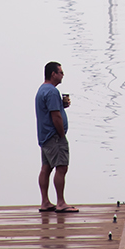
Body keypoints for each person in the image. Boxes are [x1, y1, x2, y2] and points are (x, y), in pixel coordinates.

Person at [35, 61, 77, 213]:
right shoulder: (52, 92)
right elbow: (56, 116)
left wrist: (61, 105)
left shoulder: (42, 89)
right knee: (61, 167)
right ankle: (60, 202)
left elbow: (51, 109)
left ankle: (45, 202)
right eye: (60, 72)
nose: (63, 74)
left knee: (46, 168)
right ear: (53, 74)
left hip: (44, 136)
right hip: (54, 137)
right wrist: (61, 135)